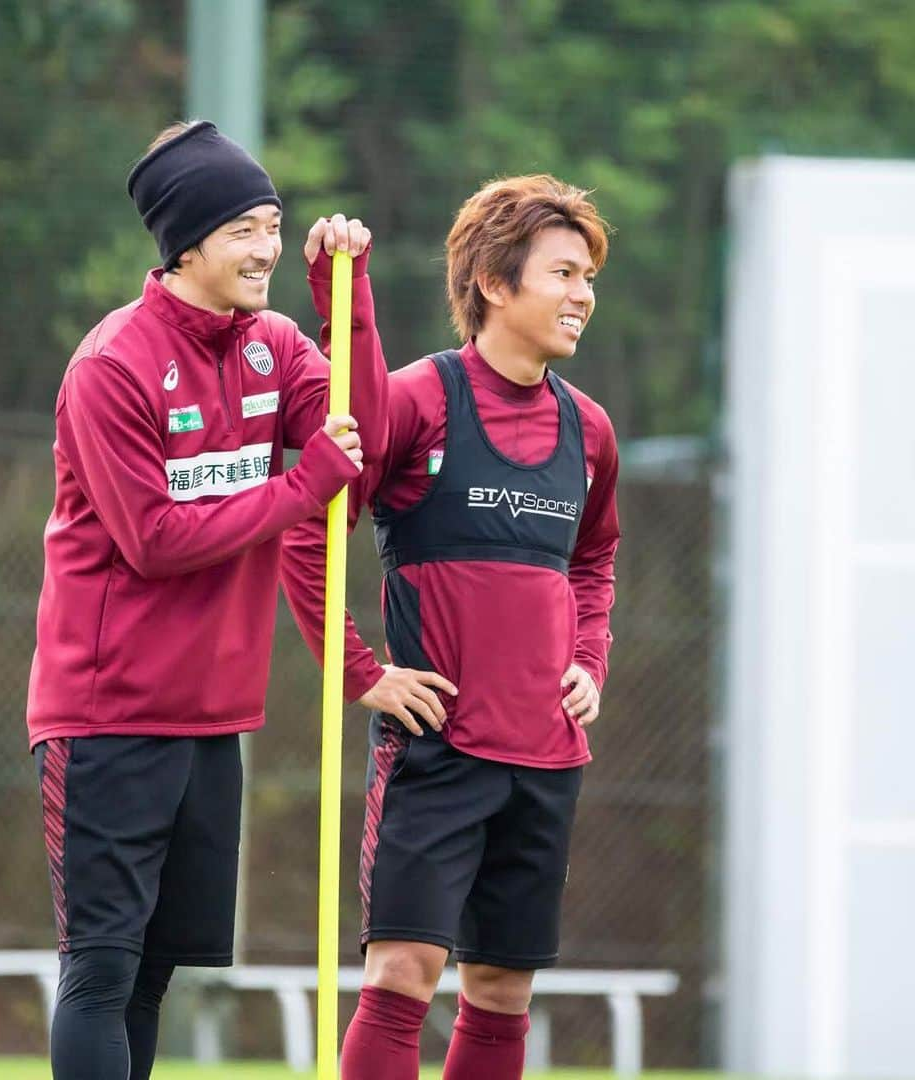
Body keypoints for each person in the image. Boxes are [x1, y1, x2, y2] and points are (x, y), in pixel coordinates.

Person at [25, 120, 388, 1080]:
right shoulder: (112, 366)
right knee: (101, 971)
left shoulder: (273, 346)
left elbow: (364, 439)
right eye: (244, 229)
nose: (268, 244)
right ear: (186, 244)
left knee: (153, 976)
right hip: (107, 714)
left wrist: (343, 306)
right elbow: (152, 541)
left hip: (211, 718)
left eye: (274, 224)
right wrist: (301, 487)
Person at [282, 174, 619, 1079]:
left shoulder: (590, 432)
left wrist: (590, 656)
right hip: (437, 751)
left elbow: (593, 565)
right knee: (403, 973)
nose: (583, 293)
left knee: (504, 990)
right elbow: (308, 538)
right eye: (562, 273)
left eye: (588, 274)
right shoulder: (419, 400)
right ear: (495, 285)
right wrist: (362, 674)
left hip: (546, 759)